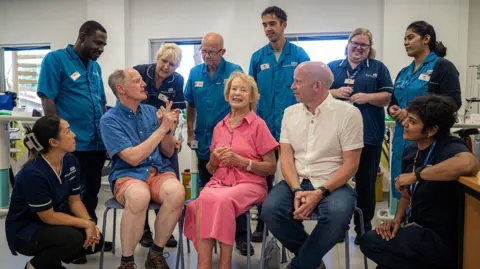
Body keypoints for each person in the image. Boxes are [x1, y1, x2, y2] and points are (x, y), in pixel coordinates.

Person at [261, 61, 363, 269]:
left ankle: (299, 265)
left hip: (334, 184)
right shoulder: (290, 113)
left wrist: (321, 192)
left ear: (317, 85)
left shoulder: (348, 114)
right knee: (270, 210)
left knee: (337, 215)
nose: (292, 86)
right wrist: (296, 189)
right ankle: (313, 263)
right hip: (296, 181)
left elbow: (351, 164)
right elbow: (287, 158)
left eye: (298, 82)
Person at [360, 94, 479, 269]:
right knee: (381, 256)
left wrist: (417, 175)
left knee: (370, 242)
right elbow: (406, 196)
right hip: (417, 228)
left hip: (441, 237)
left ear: (431, 130)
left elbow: (469, 163)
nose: (405, 124)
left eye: (413, 122)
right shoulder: (411, 152)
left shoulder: (449, 146)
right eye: (407, 119)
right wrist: (397, 219)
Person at [184, 72, 278, 269]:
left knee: (221, 200)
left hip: (250, 184)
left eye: (243, 90)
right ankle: (204, 264)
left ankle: (224, 264)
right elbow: (210, 169)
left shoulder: (259, 126)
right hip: (220, 182)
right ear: (227, 95)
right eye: (234, 89)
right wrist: (214, 159)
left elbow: (271, 167)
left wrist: (242, 162)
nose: (237, 93)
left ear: (252, 97)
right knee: (200, 202)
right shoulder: (220, 127)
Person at [36, 20, 112, 256]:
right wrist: (56, 140)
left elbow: (101, 104)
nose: (101, 48)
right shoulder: (55, 60)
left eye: (104, 45)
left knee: (90, 194)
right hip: (71, 145)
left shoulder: (95, 68)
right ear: (82, 36)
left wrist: (108, 140)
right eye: (97, 42)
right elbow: (48, 100)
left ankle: (90, 237)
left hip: (96, 144)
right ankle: (72, 244)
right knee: (67, 197)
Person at [100, 68, 185, 269]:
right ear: (121, 89)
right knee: (139, 196)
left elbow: (167, 152)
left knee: (176, 192)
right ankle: (127, 262)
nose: (144, 84)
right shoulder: (109, 120)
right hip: (128, 175)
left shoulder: (149, 111)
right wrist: (162, 128)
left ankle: (155, 253)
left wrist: (168, 131)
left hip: (158, 171)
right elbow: (134, 158)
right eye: (137, 81)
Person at [184, 32, 253, 255]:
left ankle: (242, 237)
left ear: (222, 52)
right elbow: (190, 104)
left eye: (211, 52)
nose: (205, 55)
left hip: (231, 143)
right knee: (209, 191)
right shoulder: (195, 73)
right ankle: (211, 236)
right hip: (205, 142)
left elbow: (246, 104)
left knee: (235, 190)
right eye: (202, 51)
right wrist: (190, 132)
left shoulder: (235, 71)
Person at [5, 116, 104, 269]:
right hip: (25, 230)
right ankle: (34, 266)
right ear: (53, 142)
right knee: (73, 239)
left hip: (50, 221)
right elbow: (48, 216)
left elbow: (75, 201)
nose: (74, 135)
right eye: (68, 131)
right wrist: (86, 223)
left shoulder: (70, 161)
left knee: (96, 240)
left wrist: (90, 225)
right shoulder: (33, 173)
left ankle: (49, 262)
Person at [248, 6, 310, 241]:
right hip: (264, 126)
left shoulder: (299, 55)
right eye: (264, 24)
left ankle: (295, 220)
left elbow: (308, 89)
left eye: (272, 23)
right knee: (264, 176)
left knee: (293, 173)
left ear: (284, 25)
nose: (268, 29)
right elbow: (251, 94)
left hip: (294, 126)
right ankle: (262, 222)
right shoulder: (258, 57)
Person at [328, 28, 393, 244]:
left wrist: (368, 97)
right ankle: (338, 226)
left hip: (369, 135)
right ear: (348, 44)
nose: (358, 48)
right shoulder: (333, 68)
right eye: (354, 43)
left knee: (365, 184)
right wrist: (334, 93)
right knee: (337, 182)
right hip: (336, 137)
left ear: (369, 48)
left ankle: (363, 228)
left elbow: (387, 97)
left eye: (363, 45)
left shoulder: (378, 68)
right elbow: (316, 93)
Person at [388, 21, 461, 200]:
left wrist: (415, 113)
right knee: (402, 186)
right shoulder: (403, 72)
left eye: (410, 37)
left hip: (428, 139)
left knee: (424, 189)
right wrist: (393, 109)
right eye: (404, 38)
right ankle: (401, 222)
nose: (405, 42)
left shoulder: (442, 67)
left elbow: (453, 102)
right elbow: (394, 101)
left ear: (426, 39)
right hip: (402, 137)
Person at [134, 43, 185, 248]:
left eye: (172, 64)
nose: (166, 67)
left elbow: (178, 113)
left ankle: (164, 230)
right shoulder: (139, 72)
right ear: (158, 56)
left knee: (170, 180)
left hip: (165, 132)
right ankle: (143, 230)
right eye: (164, 61)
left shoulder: (177, 81)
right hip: (140, 135)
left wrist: (174, 135)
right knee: (142, 179)